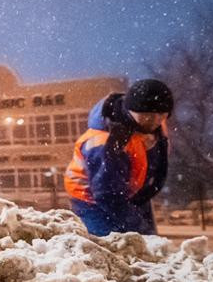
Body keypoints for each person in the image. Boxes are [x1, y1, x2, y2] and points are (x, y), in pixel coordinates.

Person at [65, 78, 173, 236]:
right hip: (91, 200)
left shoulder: (150, 127)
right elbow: (107, 194)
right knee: (110, 244)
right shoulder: (103, 142)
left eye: (162, 116)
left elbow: (157, 167)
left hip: (127, 193)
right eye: (148, 116)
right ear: (130, 111)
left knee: (144, 239)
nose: (156, 121)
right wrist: (136, 226)